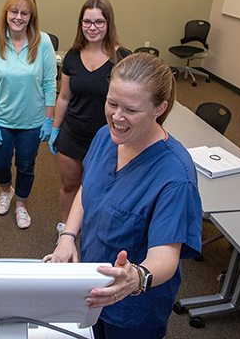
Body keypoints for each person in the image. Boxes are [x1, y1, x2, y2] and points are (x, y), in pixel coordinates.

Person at [43, 53, 202, 339]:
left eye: (130, 109)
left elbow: (167, 255)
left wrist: (136, 278)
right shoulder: (106, 136)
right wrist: (67, 236)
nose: (117, 117)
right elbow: (87, 189)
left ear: (159, 108)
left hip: (134, 308)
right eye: (112, 103)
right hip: (91, 284)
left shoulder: (175, 175)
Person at [49, 0, 132, 238]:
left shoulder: (123, 57)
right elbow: (64, 97)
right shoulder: (72, 56)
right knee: (70, 186)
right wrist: (55, 129)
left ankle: (96, 230)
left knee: (101, 189)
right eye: (87, 22)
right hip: (73, 134)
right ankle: (67, 231)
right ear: (80, 23)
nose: (92, 27)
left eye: (98, 22)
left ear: (108, 23)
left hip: (109, 138)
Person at [0, 0, 57, 229]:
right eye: (14, 11)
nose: (19, 17)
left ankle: (21, 205)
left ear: (31, 17)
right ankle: (7, 190)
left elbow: (49, 82)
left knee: (26, 166)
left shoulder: (42, 41)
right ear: (6, 14)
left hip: (32, 121)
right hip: (2, 120)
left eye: (25, 13)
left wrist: (49, 119)